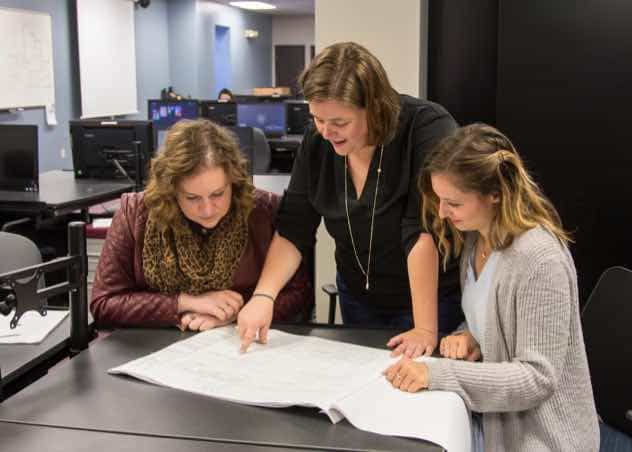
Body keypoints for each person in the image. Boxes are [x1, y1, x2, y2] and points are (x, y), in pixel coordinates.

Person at [237, 41, 463, 356]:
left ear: (373, 105)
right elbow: (294, 227)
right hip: (359, 295)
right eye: (317, 119)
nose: (326, 132)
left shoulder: (425, 128)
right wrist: (264, 295)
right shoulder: (317, 143)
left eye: (339, 123)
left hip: (431, 299)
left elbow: (420, 230)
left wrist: (425, 329)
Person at [384, 123, 600, 451]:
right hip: (498, 422)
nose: (441, 213)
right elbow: (494, 326)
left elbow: (536, 378)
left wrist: (437, 374)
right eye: (440, 200)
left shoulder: (540, 260)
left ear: (494, 194)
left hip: (544, 438)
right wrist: (470, 338)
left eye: (453, 202)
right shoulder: (476, 238)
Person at [91, 119, 312, 330]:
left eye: (218, 194)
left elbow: (300, 294)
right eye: (192, 198)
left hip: (240, 344)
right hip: (155, 348)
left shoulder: (263, 211)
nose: (207, 210)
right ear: (171, 189)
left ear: (233, 182)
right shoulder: (135, 213)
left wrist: (236, 311)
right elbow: (104, 304)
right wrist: (185, 302)